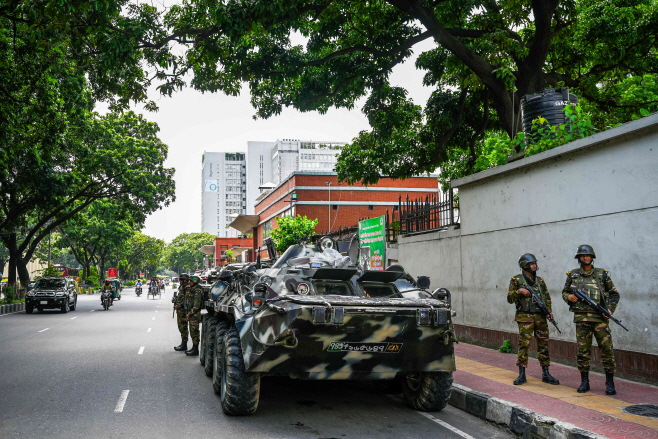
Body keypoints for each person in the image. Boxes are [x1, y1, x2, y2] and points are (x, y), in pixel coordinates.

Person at [562, 245, 620, 395]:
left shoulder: (602, 274)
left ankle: (609, 382)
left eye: (588, 255)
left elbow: (614, 294)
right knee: (583, 352)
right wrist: (569, 297)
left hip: (600, 318)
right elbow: (565, 291)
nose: (586, 257)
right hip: (582, 319)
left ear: (592, 257)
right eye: (583, 255)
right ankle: (584, 381)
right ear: (579, 258)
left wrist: (610, 310)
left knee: (607, 350)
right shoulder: (573, 275)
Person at [507, 253, 560, 386]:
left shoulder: (540, 281)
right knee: (524, 345)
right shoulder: (516, 280)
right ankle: (522, 374)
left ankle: (546, 373)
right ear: (524, 266)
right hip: (525, 317)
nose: (534, 265)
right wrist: (519, 291)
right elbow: (509, 298)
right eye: (531, 264)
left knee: (543, 345)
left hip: (540, 317)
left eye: (534, 263)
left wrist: (549, 311)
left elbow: (546, 297)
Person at [180, 275, 203, 356]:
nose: (189, 283)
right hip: (192, 314)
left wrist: (189, 314)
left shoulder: (197, 291)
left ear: (195, 282)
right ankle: (194, 348)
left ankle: (195, 349)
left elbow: (196, 306)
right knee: (192, 331)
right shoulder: (192, 289)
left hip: (195, 314)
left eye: (191, 281)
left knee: (195, 331)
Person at [173, 274, 190, 351]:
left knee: (183, 327)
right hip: (180, 310)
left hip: (183, 310)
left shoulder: (186, 287)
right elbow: (181, 298)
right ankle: (183, 343)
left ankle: (184, 344)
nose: (179, 281)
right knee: (181, 327)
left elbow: (186, 300)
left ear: (184, 280)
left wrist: (178, 306)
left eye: (181, 280)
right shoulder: (182, 287)